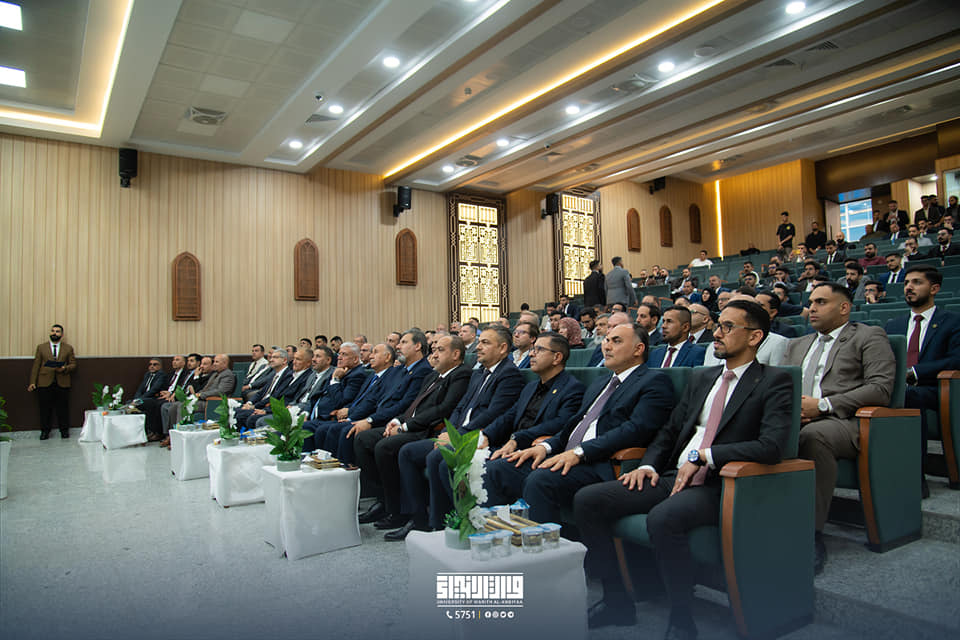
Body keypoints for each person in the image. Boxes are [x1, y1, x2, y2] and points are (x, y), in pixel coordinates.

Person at [573, 300, 792, 634]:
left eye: (728, 327)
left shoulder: (773, 381)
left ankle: (681, 619)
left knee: (664, 518)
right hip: (672, 475)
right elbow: (670, 431)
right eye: (718, 325)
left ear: (754, 336)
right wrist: (649, 465)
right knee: (589, 500)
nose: (717, 333)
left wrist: (705, 456)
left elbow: (772, 446)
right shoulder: (703, 377)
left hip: (720, 483)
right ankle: (617, 602)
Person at [482, 323, 675, 524]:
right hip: (567, 454)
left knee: (541, 479)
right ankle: (496, 533)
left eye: (616, 341)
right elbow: (573, 427)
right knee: (496, 469)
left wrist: (579, 452)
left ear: (638, 349)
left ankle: (544, 542)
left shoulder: (653, 381)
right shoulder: (601, 383)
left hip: (600, 463)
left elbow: (634, 430)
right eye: (606, 340)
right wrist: (545, 447)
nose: (606, 346)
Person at [416, 333, 588, 538]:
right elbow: (510, 415)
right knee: (449, 461)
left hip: (535, 450)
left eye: (539, 350)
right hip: (510, 444)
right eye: (533, 349)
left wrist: (517, 439)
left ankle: (496, 535)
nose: (531, 354)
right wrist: (486, 435)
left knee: (490, 470)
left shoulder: (572, 388)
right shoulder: (531, 386)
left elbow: (560, 424)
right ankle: (463, 522)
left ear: (557, 357)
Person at [782, 282, 895, 573]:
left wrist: (822, 406)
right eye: (810, 302)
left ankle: (811, 533)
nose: (811, 308)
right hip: (794, 419)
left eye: (821, 302)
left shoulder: (869, 336)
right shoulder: (796, 344)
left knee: (812, 436)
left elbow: (880, 388)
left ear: (844, 307)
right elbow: (779, 388)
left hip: (842, 421)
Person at [387, 326, 524, 527]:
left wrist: (457, 435)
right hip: (458, 433)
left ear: (503, 348)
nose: (478, 347)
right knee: (407, 452)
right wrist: (447, 432)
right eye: (479, 342)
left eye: (485, 343)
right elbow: (460, 407)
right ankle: (417, 518)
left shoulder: (509, 374)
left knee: (437, 457)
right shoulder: (478, 374)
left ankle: (442, 523)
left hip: (478, 437)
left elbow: (494, 413)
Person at [355, 335, 473, 538]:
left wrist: (405, 427)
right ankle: (386, 501)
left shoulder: (461, 374)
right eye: (434, 350)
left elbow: (443, 409)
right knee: (362, 439)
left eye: (440, 350)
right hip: (412, 425)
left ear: (455, 355)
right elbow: (414, 406)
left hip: (427, 430)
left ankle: (406, 513)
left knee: (385, 447)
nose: (434, 354)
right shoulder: (433, 376)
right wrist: (396, 421)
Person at [884, 266, 960, 498]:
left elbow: (956, 359)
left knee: (908, 395)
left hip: (937, 389)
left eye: (917, 282)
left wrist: (914, 372)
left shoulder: (952, 322)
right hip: (899, 387)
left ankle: (915, 477)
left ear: (934, 288)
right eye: (906, 282)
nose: (908, 287)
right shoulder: (893, 325)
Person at [27, 323, 77, 439]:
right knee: (44, 409)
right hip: (44, 382)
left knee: (63, 408)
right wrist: (32, 382)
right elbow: (36, 365)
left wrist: (64, 368)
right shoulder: (41, 347)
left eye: (57, 331)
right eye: (53, 331)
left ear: (62, 335)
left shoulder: (68, 348)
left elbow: (73, 365)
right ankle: (45, 431)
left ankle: (64, 431)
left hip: (62, 382)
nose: (54, 333)